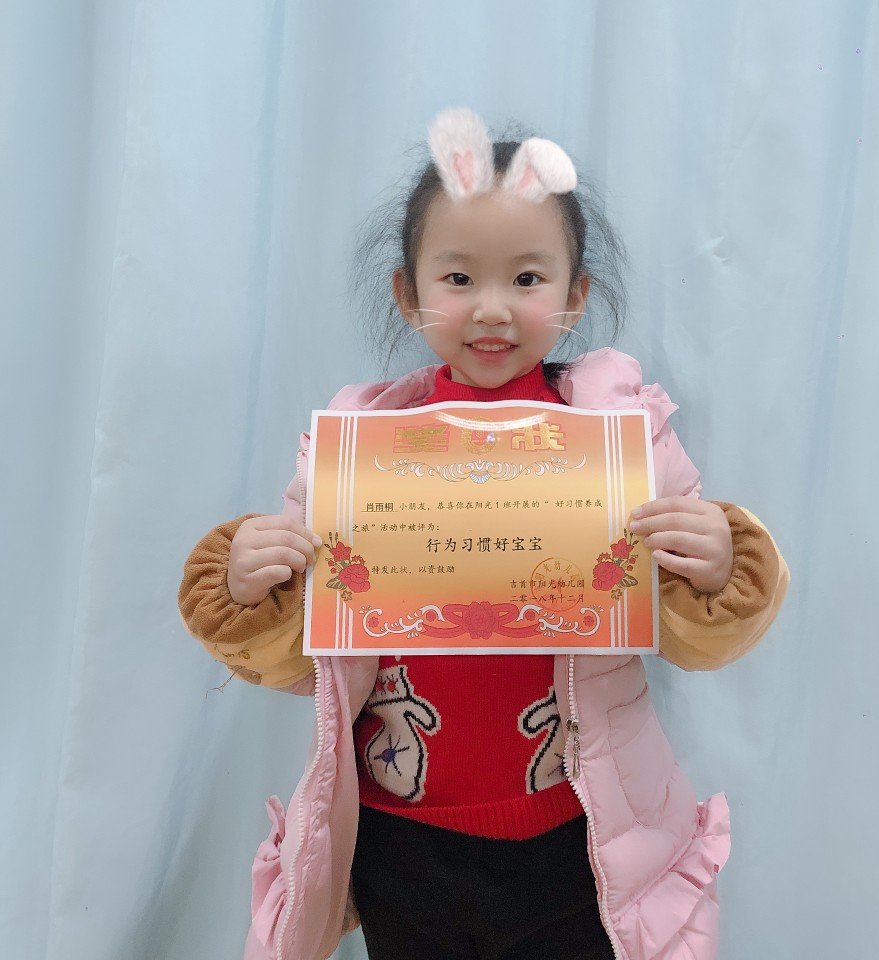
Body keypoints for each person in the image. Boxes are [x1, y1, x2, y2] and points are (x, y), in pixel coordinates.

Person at [179, 108, 789, 960]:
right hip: (401, 840)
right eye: (459, 278)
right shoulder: (357, 448)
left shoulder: (623, 440)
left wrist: (716, 570)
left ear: (575, 296)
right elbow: (308, 664)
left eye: (528, 278)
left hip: (579, 836)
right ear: (409, 294)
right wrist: (255, 589)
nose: (493, 309)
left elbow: (693, 638)